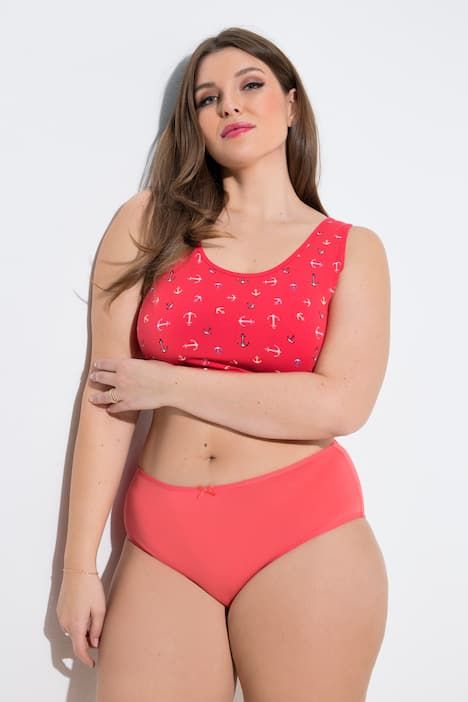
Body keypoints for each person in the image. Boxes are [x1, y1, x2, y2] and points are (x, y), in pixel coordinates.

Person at [57, 26, 391, 702]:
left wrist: (165, 382)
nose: (229, 105)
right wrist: (78, 567)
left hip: (305, 532)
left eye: (250, 85)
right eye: (207, 98)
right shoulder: (148, 222)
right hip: (163, 539)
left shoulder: (351, 248)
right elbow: (106, 397)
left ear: (291, 104)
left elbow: (340, 405)